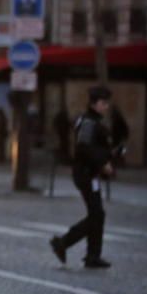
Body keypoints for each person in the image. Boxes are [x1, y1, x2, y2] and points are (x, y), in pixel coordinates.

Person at [50, 86, 113, 269]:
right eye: (103, 103)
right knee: (96, 215)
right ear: (94, 103)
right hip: (85, 173)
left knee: (97, 214)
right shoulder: (88, 122)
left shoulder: (92, 121)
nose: (106, 107)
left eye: (107, 103)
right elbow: (84, 147)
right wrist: (103, 163)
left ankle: (92, 255)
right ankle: (63, 243)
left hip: (90, 173)